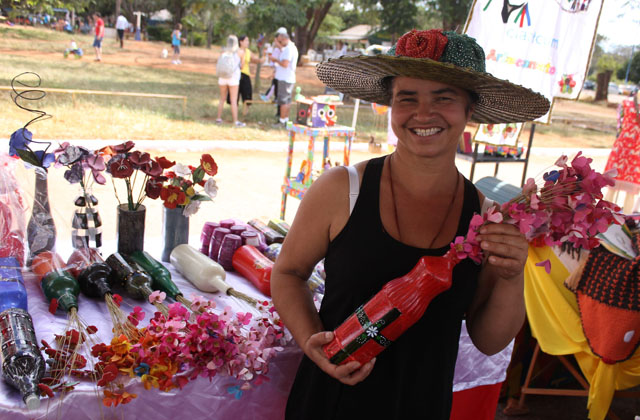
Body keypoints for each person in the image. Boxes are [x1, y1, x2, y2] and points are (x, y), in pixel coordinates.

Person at [270, 29, 550, 420]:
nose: (423, 114)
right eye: (407, 98)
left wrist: (512, 276)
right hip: (330, 401)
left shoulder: (484, 217)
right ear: (391, 108)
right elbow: (288, 273)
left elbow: (488, 340)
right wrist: (311, 341)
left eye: (444, 98)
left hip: (422, 404)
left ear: (470, 112)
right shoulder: (342, 190)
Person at [270, 27, 298, 128]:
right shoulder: (290, 48)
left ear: (284, 38)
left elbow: (285, 64)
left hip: (285, 79)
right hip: (288, 78)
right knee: (287, 100)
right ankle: (285, 119)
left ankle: (282, 121)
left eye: (281, 41)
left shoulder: (289, 49)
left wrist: (275, 60)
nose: (280, 43)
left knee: (283, 100)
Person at [232, 35, 266, 117]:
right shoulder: (236, 51)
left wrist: (263, 57)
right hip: (237, 74)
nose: (248, 42)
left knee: (247, 94)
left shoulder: (248, 51)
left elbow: (254, 59)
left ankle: (245, 113)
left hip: (246, 75)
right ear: (241, 42)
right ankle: (234, 112)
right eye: (246, 40)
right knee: (235, 95)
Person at [216, 35, 245, 127]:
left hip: (222, 77)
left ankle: (218, 118)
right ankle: (235, 120)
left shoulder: (223, 51)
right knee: (233, 100)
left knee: (222, 98)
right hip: (233, 78)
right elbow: (242, 66)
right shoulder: (240, 52)